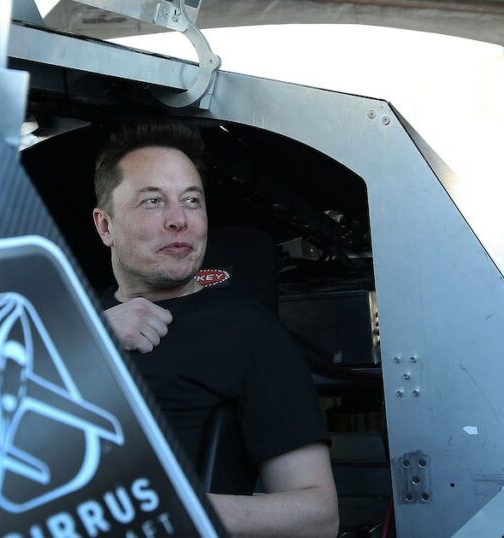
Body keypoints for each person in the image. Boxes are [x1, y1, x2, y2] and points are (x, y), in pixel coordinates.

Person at [91, 121, 339, 537]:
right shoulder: (65, 320)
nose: (178, 220)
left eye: (191, 200)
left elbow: (317, 517)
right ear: (105, 226)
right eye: (152, 202)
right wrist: (89, 338)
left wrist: (165, 508)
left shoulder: (250, 333)